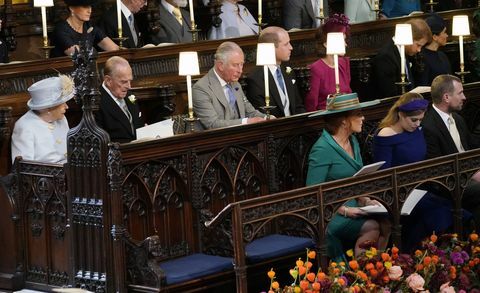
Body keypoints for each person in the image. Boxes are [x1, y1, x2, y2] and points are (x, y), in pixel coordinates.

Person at [306, 93, 389, 261]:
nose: (363, 118)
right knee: (372, 226)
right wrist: (344, 210)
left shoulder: (353, 141)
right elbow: (312, 192)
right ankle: (360, 275)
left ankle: (377, 272)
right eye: (358, 114)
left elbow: (356, 179)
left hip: (354, 205)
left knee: (388, 223)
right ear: (344, 121)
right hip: (330, 212)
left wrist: (365, 200)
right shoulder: (322, 149)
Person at [373, 92, 456, 251]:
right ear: (400, 115)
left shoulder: (417, 130)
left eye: (420, 120)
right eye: (413, 120)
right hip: (398, 193)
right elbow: (382, 174)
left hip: (421, 187)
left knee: (452, 208)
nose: (417, 124)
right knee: (436, 214)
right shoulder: (386, 135)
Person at [192, 41, 267, 130]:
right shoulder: (201, 88)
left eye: (241, 64)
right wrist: (246, 122)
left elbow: (251, 112)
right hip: (217, 141)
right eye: (235, 65)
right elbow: (212, 124)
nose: (240, 70)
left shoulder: (236, 84)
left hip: (242, 137)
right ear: (220, 66)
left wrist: (267, 118)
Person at [11, 75, 75, 163]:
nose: (67, 107)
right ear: (48, 108)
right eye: (62, 103)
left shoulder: (61, 118)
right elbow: (23, 167)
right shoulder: (24, 126)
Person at [245, 26, 305, 118]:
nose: (291, 47)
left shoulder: (288, 70)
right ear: (271, 48)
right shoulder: (256, 79)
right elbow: (261, 113)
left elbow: (298, 105)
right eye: (286, 44)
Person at [371, 18, 431, 99]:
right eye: (418, 45)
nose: (419, 50)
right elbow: (389, 94)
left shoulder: (404, 51)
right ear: (409, 38)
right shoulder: (386, 57)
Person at [422, 74, 478, 158]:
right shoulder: (428, 127)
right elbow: (437, 165)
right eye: (460, 93)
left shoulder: (458, 119)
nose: (464, 97)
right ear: (446, 97)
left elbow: (471, 146)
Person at [305, 14, 351, 112]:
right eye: (342, 40)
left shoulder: (344, 63)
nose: (346, 44)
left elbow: (349, 94)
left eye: (345, 40)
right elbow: (312, 104)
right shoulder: (316, 68)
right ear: (326, 44)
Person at [95, 56, 143, 143]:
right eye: (124, 81)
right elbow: (100, 141)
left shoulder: (130, 95)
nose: (129, 86)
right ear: (108, 80)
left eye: (130, 81)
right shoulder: (96, 103)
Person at [51, 0, 119, 57]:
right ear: (72, 8)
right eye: (85, 6)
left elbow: (114, 49)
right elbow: (78, 56)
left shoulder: (89, 25)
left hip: (87, 70)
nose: (89, 10)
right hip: (63, 71)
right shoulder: (61, 30)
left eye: (90, 6)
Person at [413, 13, 451, 86]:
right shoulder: (422, 58)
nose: (447, 35)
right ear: (435, 37)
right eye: (444, 32)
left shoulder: (442, 55)